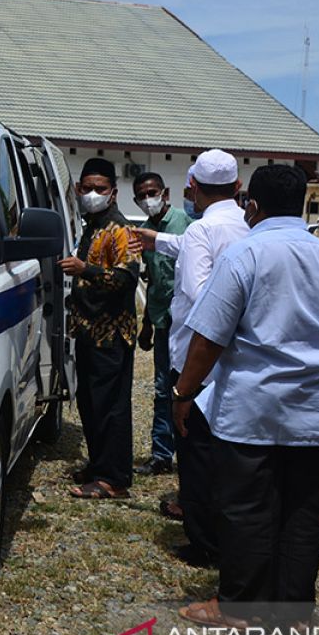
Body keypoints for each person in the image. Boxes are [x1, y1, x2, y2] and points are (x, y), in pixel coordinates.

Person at [172, 165, 319, 628]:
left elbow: (208, 336)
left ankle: (239, 603)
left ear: (252, 204)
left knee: (246, 505)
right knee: (303, 508)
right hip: (315, 406)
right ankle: (295, 609)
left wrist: (183, 391)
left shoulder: (244, 254)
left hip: (254, 404)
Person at [135, 150, 249, 566]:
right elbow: (189, 244)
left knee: (196, 453)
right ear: (237, 189)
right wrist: (158, 239)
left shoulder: (203, 231)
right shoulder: (244, 226)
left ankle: (204, 541)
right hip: (234, 358)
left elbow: (203, 296)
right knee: (225, 451)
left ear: (193, 189)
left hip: (197, 355)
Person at [61, 157, 141, 499]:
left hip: (111, 334)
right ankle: (99, 466)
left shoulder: (119, 230)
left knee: (111, 406)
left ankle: (114, 478)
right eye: (87, 188)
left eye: (100, 189)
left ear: (113, 192)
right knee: (91, 403)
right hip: (89, 331)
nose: (93, 194)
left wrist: (85, 270)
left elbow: (126, 279)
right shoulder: (91, 225)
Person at [132, 172, 192, 476]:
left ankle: (191, 453)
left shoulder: (187, 225)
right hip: (162, 322)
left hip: (189, 324)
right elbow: (152, 281)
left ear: (165, 193)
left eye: (152, 193)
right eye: (141, 196)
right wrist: (146, 324)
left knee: (189, 387)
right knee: (161, 388)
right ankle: (160, 454)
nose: (148, 200)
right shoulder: (144, 234)